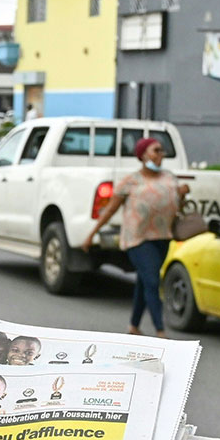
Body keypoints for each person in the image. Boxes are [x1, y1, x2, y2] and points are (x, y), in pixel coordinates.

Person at [82, 137, 187, 338]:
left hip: (163, 237)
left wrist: (181, 195)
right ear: (143, 155)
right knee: (152, 280)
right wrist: (92, 234)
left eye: (161, 151)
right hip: (137, 239)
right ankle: (160, 330)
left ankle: (134, 326)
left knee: (144, 281)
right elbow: (110, 210)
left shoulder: (169, 178)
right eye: (156, 151)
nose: (160, 155)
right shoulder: (130, 181)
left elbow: (177, 207)